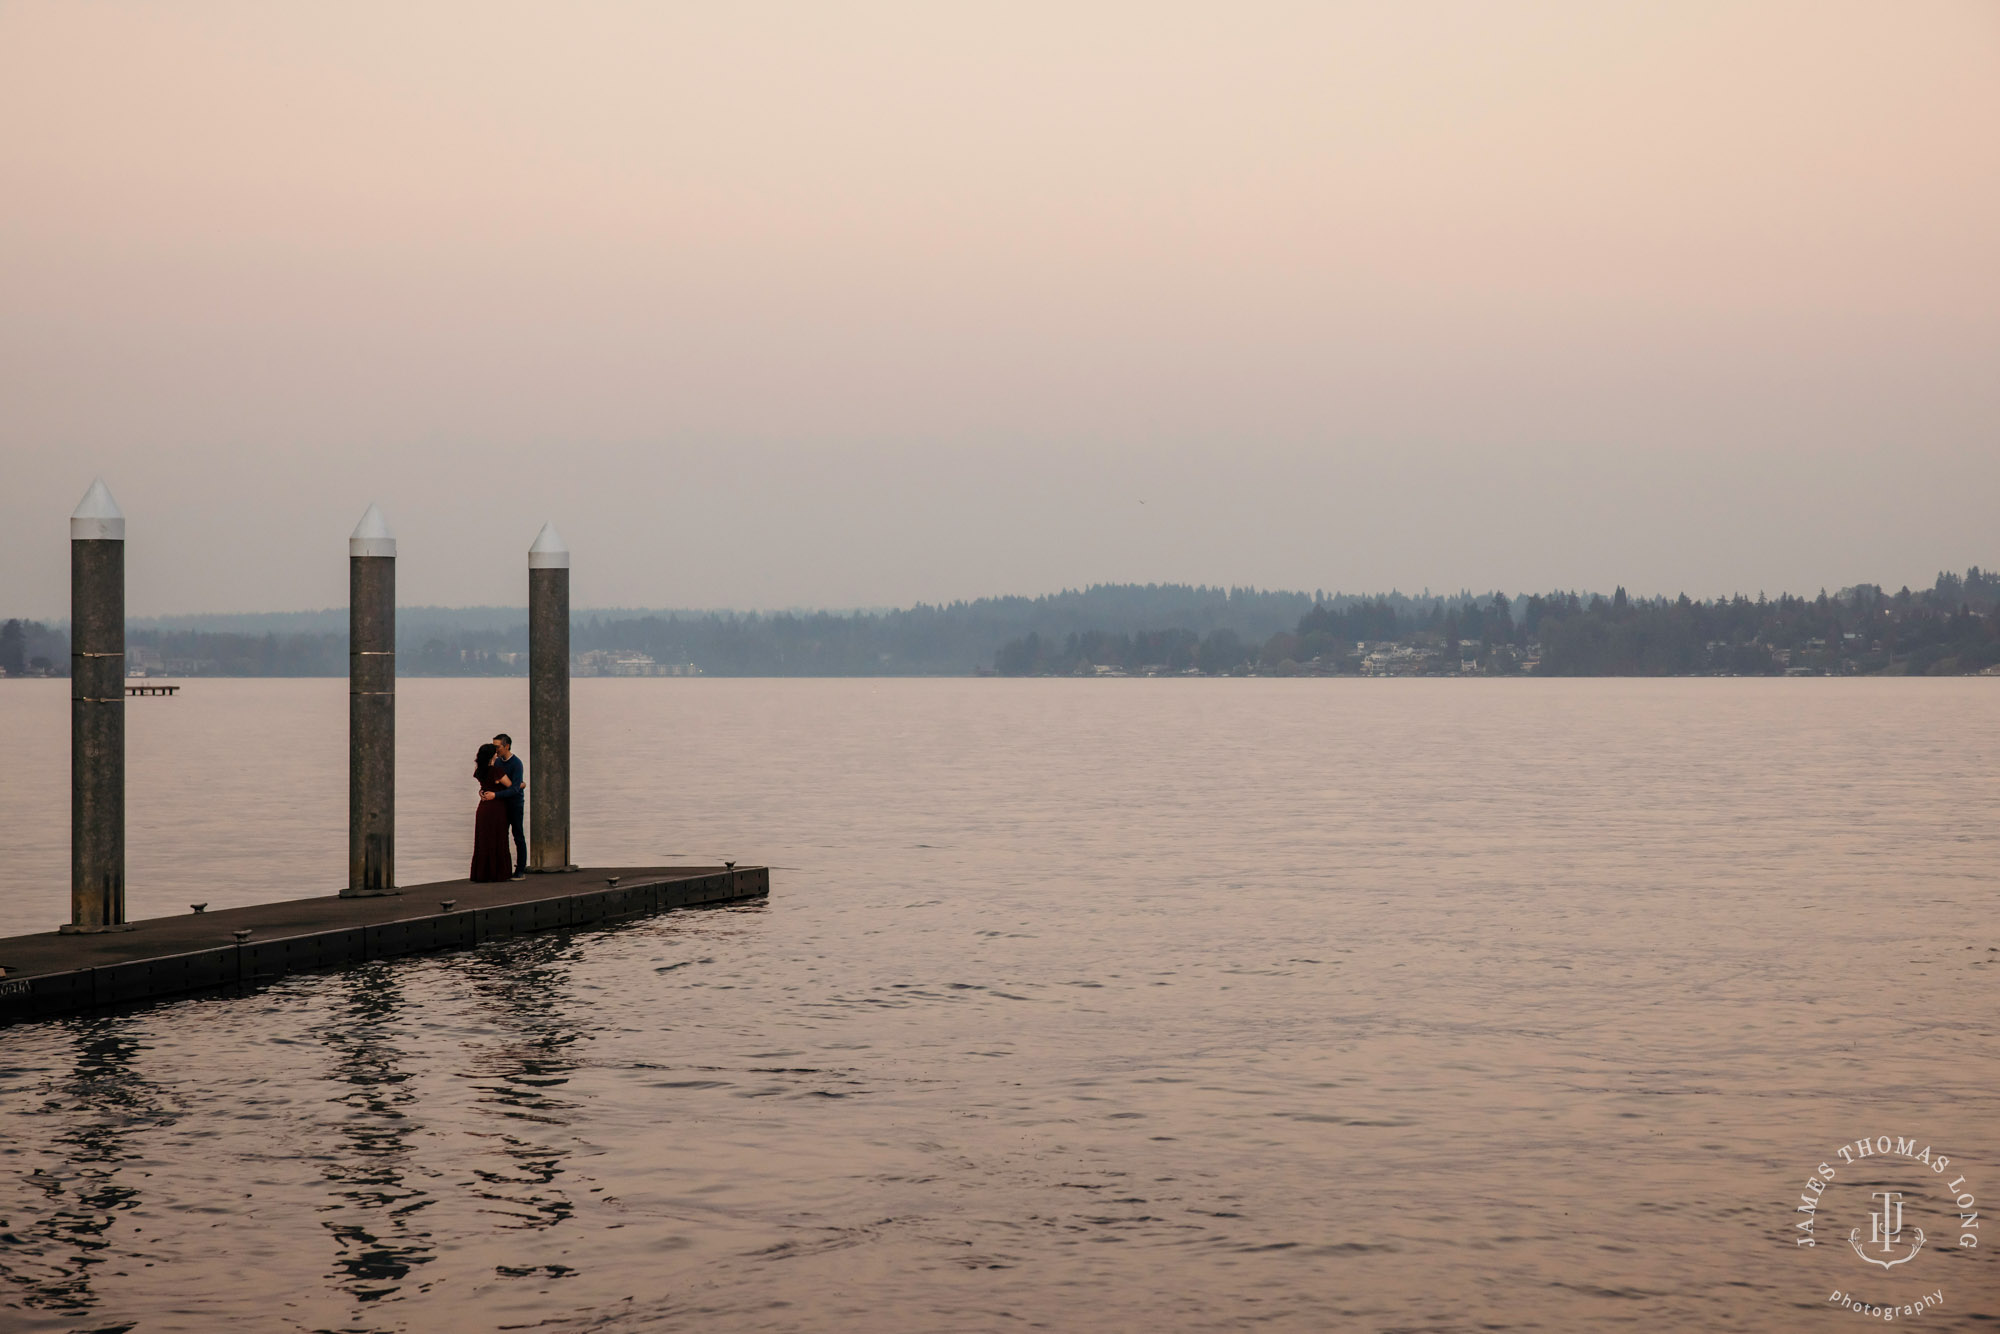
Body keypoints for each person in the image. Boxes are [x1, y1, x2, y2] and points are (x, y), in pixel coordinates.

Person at [469, 742, 514, 882]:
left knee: (483, 840)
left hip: (483, 807)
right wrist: (522, 784)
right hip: (496, 808)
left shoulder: (479, 771)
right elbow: (511, 786)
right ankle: (499, 873)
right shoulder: (496, 771)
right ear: (492, 755)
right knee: (498, 838)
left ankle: (482, 873)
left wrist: (481, 792)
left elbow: (484, 786)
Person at [489, 732, 527, 879]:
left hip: (515, 804)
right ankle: (503, 869)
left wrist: (496, 795)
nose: (495, 750)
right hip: (501, 805)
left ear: (507, 746)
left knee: (518, 836)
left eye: (497, 747)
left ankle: (520, 870)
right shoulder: (497, 762)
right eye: (493, 746)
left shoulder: (516, 763)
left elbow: (515, 789)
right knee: (501, 836)